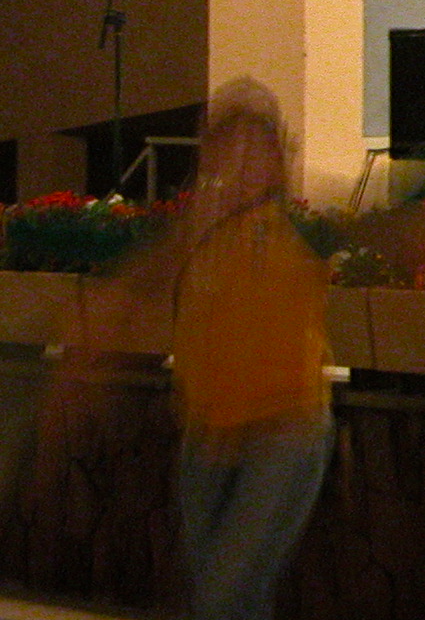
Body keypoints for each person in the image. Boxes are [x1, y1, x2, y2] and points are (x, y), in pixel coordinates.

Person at [63, 81, 333, 620]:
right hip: (208, 436)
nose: (238, 160)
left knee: (221, 595)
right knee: (233, 596)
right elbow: (141, 285)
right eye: (225, 144)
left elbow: (396, 204)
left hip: (283, 432)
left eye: (253, 148)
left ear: (276, 161)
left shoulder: (300, 228)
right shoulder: (196, 233)